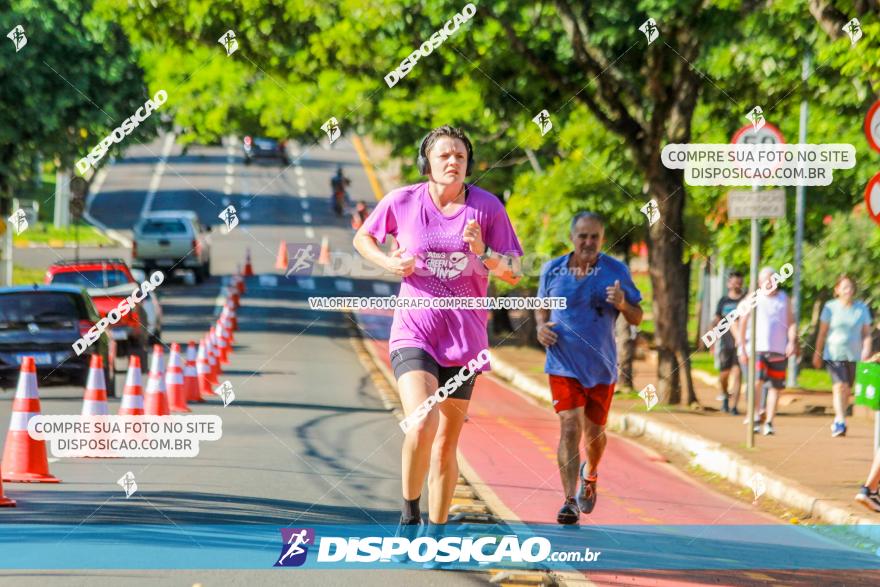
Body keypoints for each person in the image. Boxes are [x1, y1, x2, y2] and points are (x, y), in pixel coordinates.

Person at [353, 125, 523, 534]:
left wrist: (484, 252)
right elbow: (363, 238)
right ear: (426, 162)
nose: (452, 162)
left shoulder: (487, 208)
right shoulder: (404, 201)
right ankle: (409, 514)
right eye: (444, 155)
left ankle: (436, 532)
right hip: (415, 331)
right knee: (422, 422)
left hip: (464, 342)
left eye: (460, 156)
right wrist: (390, 264)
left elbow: (515, 273)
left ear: (469, 164)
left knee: (447, 443)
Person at [535, 212, 643, 525]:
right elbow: (541, 307)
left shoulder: (615, 271)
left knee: (595, 436)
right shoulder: (552, 270)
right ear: (572, 237)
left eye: (594, 236)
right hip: (562, 362)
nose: (588, 242)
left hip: (601, 367)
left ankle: (591, 473)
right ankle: (569, 500)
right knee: (570, 426)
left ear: (602, 239)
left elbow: (638, 317)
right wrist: (540, 328)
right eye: (582, 236)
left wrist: (623, 303)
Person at [737, 266, 798, 436]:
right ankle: (755, 416)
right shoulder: (754, 298)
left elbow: (791, 322)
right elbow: (742, 323)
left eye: (773, 279)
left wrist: (791, 341)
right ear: (759, 282)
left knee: (775, 387)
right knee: (757, 381)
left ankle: (769, 421)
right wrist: (742, 347)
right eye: (766, 280)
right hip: (757, 349)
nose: (770, 283)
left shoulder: (784, 298)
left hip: (778, 350)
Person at [812, 275, 873, 437]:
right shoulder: (830, 307)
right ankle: (840, 420)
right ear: (837, 290)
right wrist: (817, 353)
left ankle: (840, 417)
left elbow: (866, 334)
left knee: (847, 389)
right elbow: (822, 333)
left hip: (854, 355)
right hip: (833, 353)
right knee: (840, 386)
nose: (848, 290)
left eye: (850, 287)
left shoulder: (861, 309)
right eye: (844, 287)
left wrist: (866, 350)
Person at [712, 271, 745, 414]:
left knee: (737, 373)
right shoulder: (723, 301)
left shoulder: (745, 300)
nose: (736, 284)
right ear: (728, 283)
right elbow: (716, 320)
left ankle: (734, 406)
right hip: (725, 343)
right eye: (734, 281)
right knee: (724, 375)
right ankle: (725, 397)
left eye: (739, 281)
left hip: (740, 343)